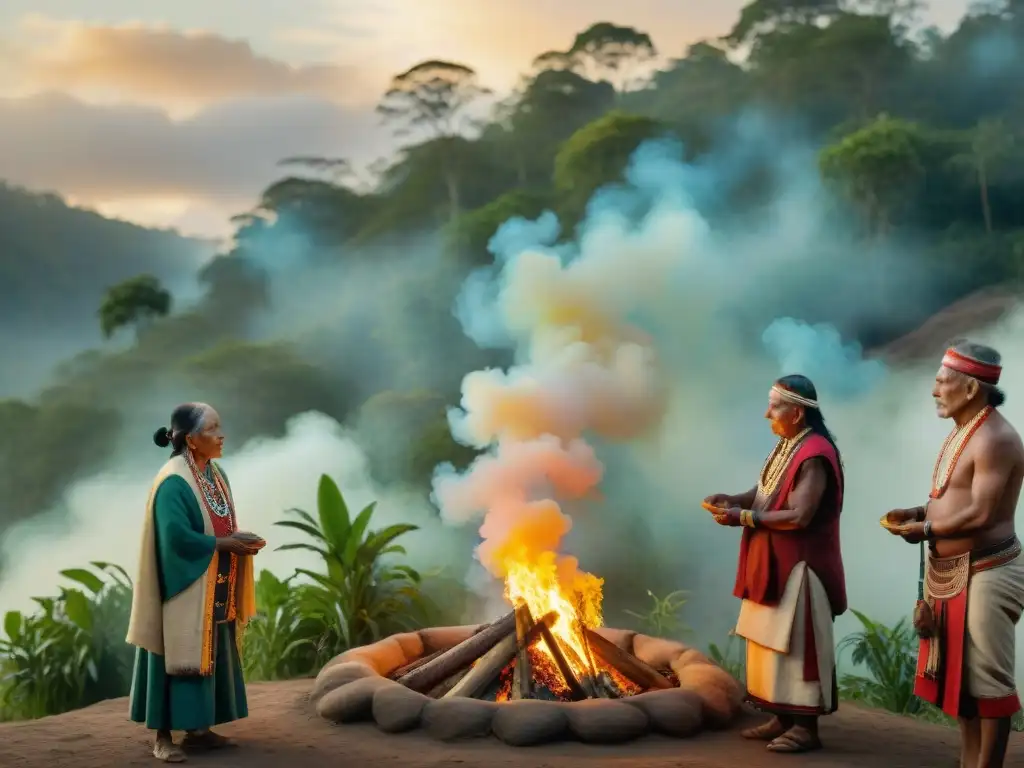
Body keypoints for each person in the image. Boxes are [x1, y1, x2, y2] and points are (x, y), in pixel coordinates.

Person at [883, 341, 1024, 768]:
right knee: (959, 677)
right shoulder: (964, 431)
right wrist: (918, 511)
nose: (934, 391)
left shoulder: (996, 437)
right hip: (953, 571)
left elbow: (981, 513)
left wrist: (924, 529)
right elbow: (951, 498)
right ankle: (968, 763)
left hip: (989, 570)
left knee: (988, 680)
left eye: (942, 381)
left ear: (970, 389)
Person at [703, 374, 847, 754]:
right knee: (769, 641)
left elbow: (799, 515)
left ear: (797, 413)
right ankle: (782, 717)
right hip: (772, 560)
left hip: (801, 566)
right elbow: (765, 492)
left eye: (775, 406)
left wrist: (742, 517)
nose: (768, 412)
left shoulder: (814, 453)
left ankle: (805, 727)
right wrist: (733, 499)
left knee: (796, 644)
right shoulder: (789, 444)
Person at [126, 402, 265, 763]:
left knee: (209, 650)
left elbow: (219, 521)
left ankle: (198, 731)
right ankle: (162, 736)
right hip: (182, 586)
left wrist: (239, 540)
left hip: (213, 579)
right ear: (191, 440)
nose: (221, 435)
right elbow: (174, 538)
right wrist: (223, 544)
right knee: (175, 652)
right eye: (213, 429)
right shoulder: (173, 480)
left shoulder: (215, 473)